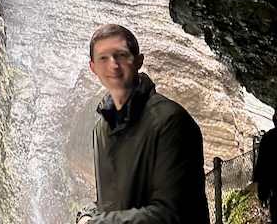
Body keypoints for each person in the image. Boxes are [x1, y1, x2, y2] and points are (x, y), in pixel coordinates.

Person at [75, 24, 210, 224]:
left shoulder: (171, 122)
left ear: (139, 61)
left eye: (120, 55)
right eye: (103, 58)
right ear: (93, 68)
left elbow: (171, 214)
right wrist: (86, 214)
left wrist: (94, 223)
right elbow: (111, 202)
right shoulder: (102, 129)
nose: (113, 65)